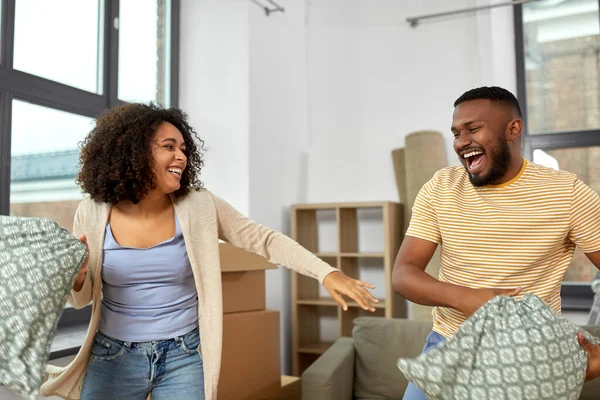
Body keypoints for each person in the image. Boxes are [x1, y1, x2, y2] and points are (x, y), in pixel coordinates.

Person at [40, 103, 379, 400]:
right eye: (168, 147)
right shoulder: (93, 210)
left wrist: (326, 272)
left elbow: (263, 239)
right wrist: (78, 277)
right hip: (112, 354)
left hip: (183, 355)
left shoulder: (198, 204)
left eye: (184, 148)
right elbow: (81, 300)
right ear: (133, 153)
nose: (181, 157)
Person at [392, 86, 600, 399]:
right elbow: (404, 274)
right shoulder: (441, 187)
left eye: (473, 129)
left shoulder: (565, 192)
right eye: (456, 133)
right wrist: (469, 299)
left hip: (529, 357)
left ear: (513, 129)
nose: (462, 143)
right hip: (449, 345)